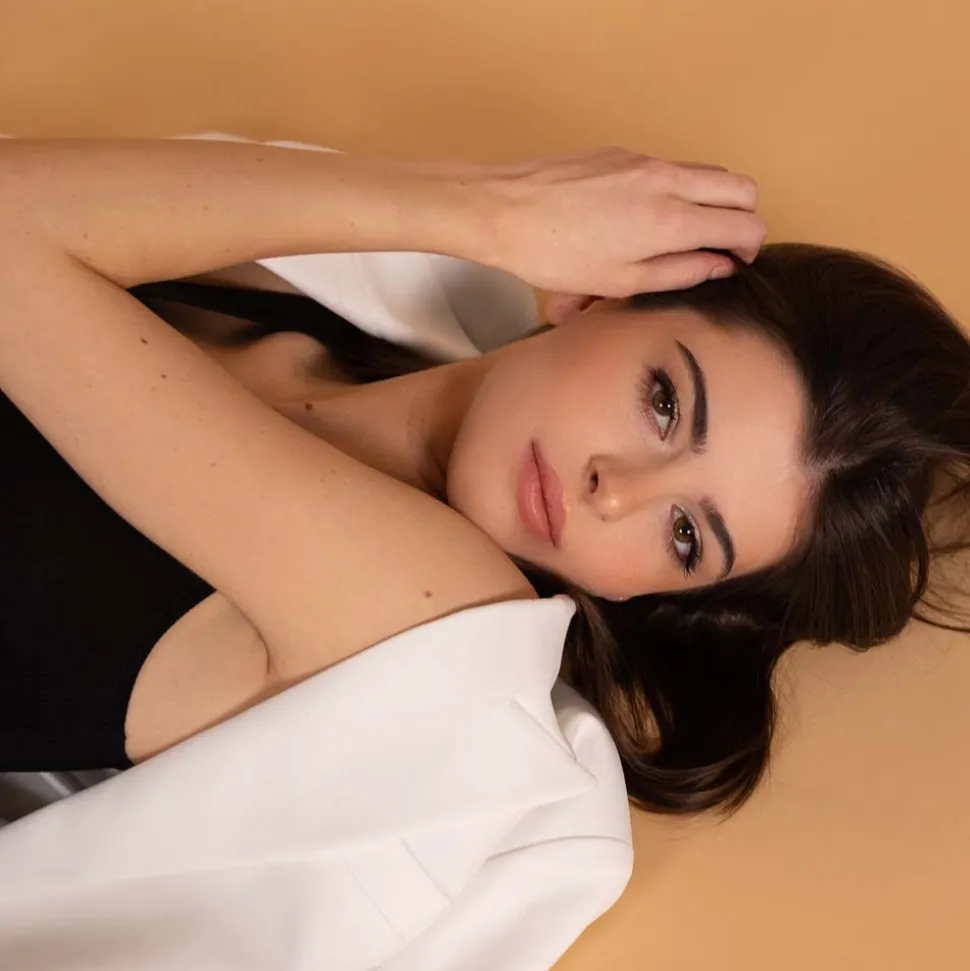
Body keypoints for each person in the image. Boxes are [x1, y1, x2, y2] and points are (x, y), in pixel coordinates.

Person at [0, 136, 967, 826]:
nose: (615, 489)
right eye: (665, 401)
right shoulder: (299, 293)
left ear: (656, 595)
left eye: (685, 536)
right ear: (606, 290)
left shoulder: (428, 599)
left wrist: (489, 211)